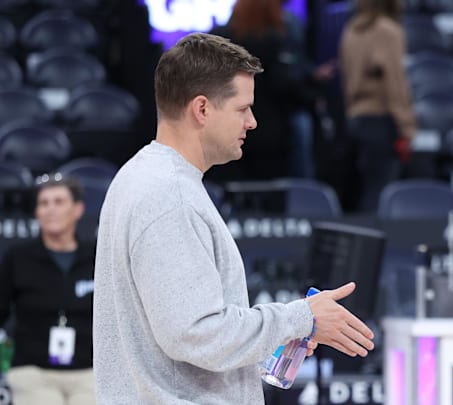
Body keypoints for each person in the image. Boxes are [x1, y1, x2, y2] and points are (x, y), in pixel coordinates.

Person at [92, 33, 375, 404]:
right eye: (243, 109)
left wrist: (275, 338)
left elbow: (183, 335)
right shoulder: (168, 195)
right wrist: (297, 318)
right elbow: (195, 334)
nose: (253, 122)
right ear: (203, 109)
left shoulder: (148, 178)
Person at [0, 174, 96, 405]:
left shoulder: (97, 257)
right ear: (37, 213)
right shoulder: (18, 257)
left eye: (58, 202)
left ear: (78, 209)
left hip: (89, 370)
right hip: (33, 370)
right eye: (44, 203)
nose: (50, 209)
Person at [208, 0, 327, 182]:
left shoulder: (218, 40)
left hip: (226, 132)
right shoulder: (275, 41)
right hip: (270, 135)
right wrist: (313, 97)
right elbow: (284, 84)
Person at [339, 0, 416, 212]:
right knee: (380, 193)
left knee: (363, 192)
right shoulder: (388, 31)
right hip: (380, 121)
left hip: (355, 120)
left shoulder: (351, 29)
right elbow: (395, 82)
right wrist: (406, 126)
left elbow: (345, 79)